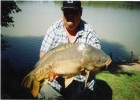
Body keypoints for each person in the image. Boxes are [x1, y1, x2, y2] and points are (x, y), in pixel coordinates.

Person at [38, 1, 101, 100]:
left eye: (74, 12)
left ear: (80, 13)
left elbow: (98, 61)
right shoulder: (53, 29)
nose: (70, 15)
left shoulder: (90, 33)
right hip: (56, 84)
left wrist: (89, 70)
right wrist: (49, 70)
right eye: (67, 11)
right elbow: (43, 54)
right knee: (46, 92)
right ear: (62, 12)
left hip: (82, 87)